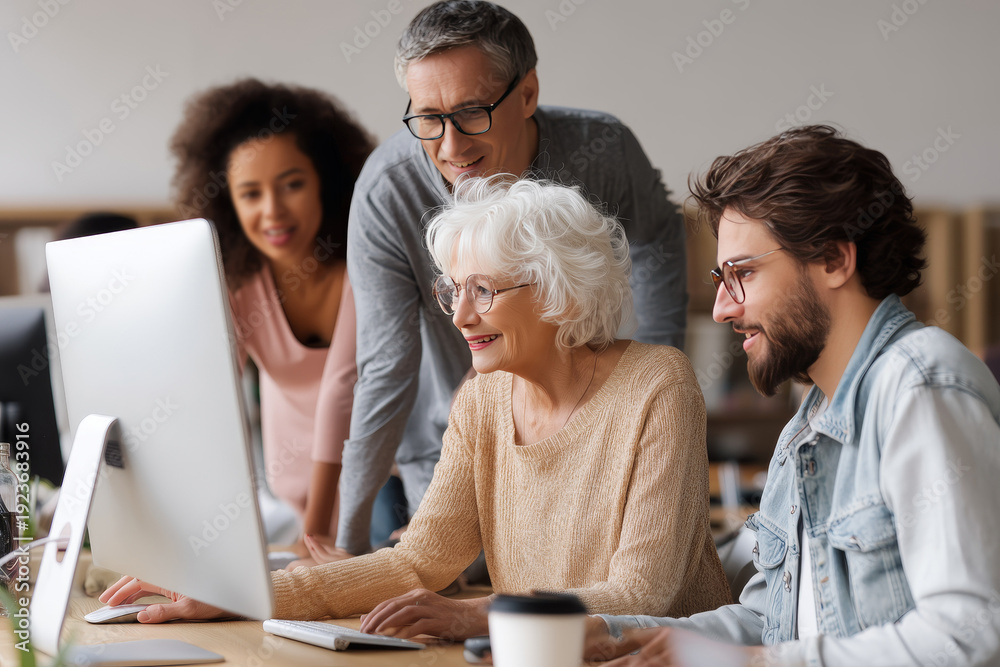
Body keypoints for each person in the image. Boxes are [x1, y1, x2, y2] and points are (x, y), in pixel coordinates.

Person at [100, 177, 731, 639]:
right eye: (454, 290)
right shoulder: (483, 399)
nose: (459, 316)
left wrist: (476, 615)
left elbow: (644, 593)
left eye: (483, 290)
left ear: (559, 291)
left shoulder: (657, 384)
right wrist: (241, 593)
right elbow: (418, 562)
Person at [583, 126, 1000, 666]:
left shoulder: (919, 388)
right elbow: (771, 622)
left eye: (744, 274)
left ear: (833, 259)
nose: (722, 310)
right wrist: (594, 631)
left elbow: (971, 636)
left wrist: (750, 664)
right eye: (721, 278)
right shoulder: (809, 422)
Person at [338, 0, 690, 558]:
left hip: (588, 437)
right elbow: (385, 368)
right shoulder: (388, 192)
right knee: (435, 585)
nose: (451, 148)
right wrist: (349, 542)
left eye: (472, 111)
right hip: (444, 449)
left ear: (527, 94)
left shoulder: (603, 151)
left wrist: (650, 386)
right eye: (427, 117)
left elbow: (659, 242)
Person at [169, 79, 375, 556]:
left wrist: (317, 534)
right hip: (295, 479)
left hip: (380, 476)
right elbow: (212, 399)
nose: (273, 211)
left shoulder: (366, 264)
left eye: (292, 184)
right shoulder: (235, 280)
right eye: (250, 194)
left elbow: (341, 392)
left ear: (328, 178)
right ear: (227, 201)